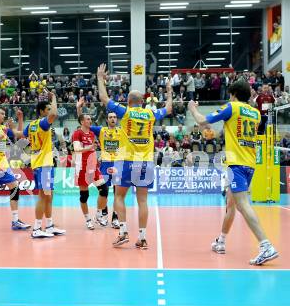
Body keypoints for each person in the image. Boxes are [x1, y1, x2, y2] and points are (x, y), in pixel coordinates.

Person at [188, 81, 279, 265]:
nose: (229, 97)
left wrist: (191, 108)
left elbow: (201, 121)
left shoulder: (232, 107)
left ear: (234, 94)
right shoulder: (255, 113)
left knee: (242, 205)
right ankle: (221, 241)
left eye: (230, 94)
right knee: (231, 202)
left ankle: (266, 245)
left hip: (236, 164)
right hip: (250, 163)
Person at [97, 63, 173, 249]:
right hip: (146, 162)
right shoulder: (150, 113)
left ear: (129, 101)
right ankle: (143, 237)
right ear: (143, 101)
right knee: (143, 201)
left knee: (119, 197)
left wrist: (100, 78)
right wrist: (169, 91)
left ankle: (123, 232)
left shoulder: (126, 112)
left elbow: (104, 97)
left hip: (126, 161)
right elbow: (169, 109)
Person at [23, 92, 66, 238]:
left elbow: (20, 134)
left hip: (40, 164)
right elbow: (54, 113)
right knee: (43, 196)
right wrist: (54, 97)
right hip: (44, 165)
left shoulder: (31, 125)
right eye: (47, 109)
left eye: (49, 109)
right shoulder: (42, 123)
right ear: (42, 111)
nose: (49, 112)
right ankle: (36, 228)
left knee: (49, 196)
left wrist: (20, 119)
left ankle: (49, 226)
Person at [77, 98, 120, 229]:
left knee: (118, 193)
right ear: (107, 120)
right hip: (106, 164)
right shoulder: (101, 130)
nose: (112, 119)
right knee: (104, 192)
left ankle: (115, 218)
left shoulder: (122, 132)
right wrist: (79, 108)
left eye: (114, 117)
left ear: (117, 119)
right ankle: (103, 215)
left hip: (118, 164)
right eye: (110, 117)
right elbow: (84, 123)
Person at [73, 99, 109, 230]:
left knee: (104, 190)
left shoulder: (93, 133)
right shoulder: (77, 133)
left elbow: (81, 118)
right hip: (82, 167)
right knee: (84, 196)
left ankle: (99, 214)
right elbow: (77, 149)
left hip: (93, 167)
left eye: (90, 119)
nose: (90, 120)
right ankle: (88, 219)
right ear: (83, 122)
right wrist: (90, 147)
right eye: (88, 119)